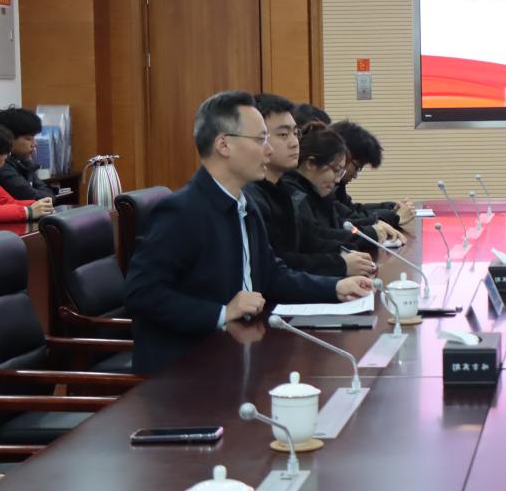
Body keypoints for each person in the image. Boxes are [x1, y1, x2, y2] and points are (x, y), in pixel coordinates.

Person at [124, 91, 373, 375]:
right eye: (260, 140)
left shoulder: (245, 204)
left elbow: (272, 275)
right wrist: (221, 312)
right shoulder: (181, 211)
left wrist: (335, 287)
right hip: (187, 370)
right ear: (224, 145)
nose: (268, 150)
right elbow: (141, 294)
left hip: (239, 352)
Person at [244, 94, 376, 279]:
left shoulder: (283, 189)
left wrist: (347, 252)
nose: (294, 143)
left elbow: (310, 240)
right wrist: (340, 265)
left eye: (295, 133)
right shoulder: (251, 197)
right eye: (283, 135)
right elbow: (279, 265)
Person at [282, 123, 403, 255]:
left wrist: (376, 224)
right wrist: (372, 232)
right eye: (337, 170)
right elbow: (316, 238)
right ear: (311, 164)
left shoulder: (318, 193)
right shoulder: (294, 195)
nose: (338, 180)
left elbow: (340, 223)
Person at [330, 120, 416, 228]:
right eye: (357, 167)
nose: (355, 176)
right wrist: (394, 217)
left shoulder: (338, 184)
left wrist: (390, 208)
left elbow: (351, 210)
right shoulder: (323, 187)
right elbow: (347, 220)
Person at [0, 121, 53, 225]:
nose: (6, 158)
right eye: (5, 153)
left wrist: (39, 205)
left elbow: (6, 202)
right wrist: (27, 212)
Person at [0, 106, 56, 201]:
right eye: (28, 139)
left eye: (34, 138)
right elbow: (33, 197)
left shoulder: (23, 162)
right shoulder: (0, 166)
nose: (35, 144)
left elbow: (48, 194)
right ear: (8, 138)